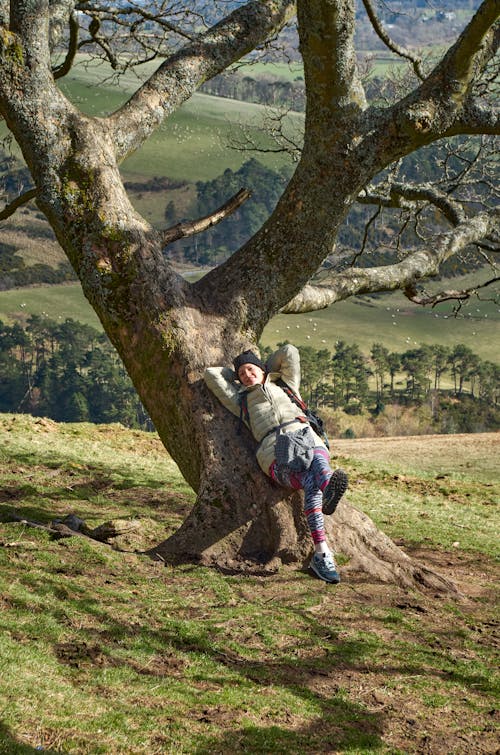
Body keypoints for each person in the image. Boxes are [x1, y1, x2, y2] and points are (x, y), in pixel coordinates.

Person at [204, 343, 348, 584]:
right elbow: (212, 374)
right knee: (311, 481)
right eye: (242, 374)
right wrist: (237, 375)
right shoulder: (239, 401)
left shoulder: (287, 387)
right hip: (275, 451)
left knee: (317, 475)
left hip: (305, 436)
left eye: (251, 370)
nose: (247, 375)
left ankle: (323, 549)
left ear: (262, 370)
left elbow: (290, 351)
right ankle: (326, 512)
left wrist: (264, 371)